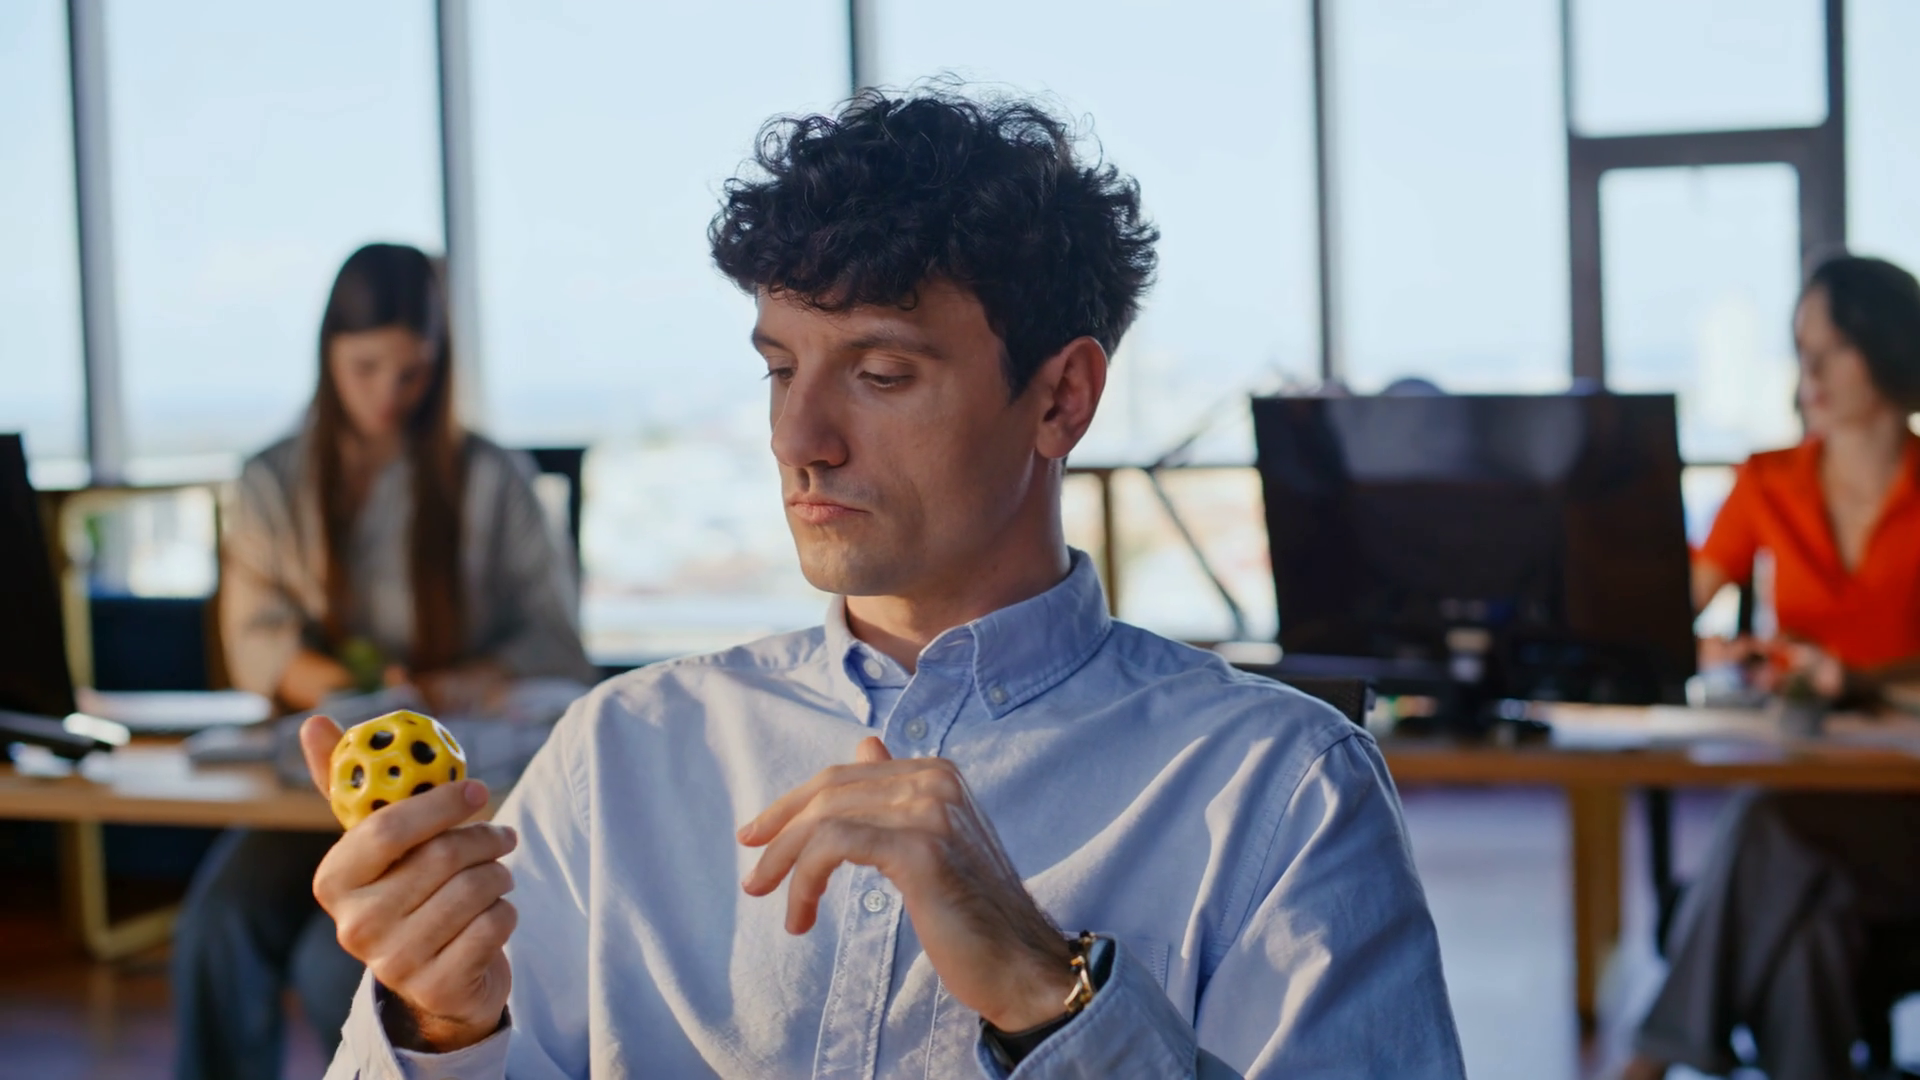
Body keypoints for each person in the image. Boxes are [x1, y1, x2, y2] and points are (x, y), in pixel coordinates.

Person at [306, 89, 1465, 1079]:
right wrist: (443, 1028)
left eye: (880, 373)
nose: (799, 439)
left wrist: (1049, 992)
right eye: (780, 369)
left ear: (1062, 398)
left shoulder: (1283, 793)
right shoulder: (615, 760)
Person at [173, 242, 596, 1080]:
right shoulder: (271, 481)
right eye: (365, 368)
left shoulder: (494, 480)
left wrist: (443, 687)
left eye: (412, 372)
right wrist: (360, 694)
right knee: (216, 929)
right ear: (328, 357)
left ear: (440, 365)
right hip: (315, 786)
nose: (387, 394)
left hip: (450, 796)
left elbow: (555, 644)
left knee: (340, 965)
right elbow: (257, 645)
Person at [1622, 254, 1920, 1080]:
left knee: (1768, 826)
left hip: (1907, 810)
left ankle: (1648, 1063)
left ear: (1888, 348)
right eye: (1800, 350)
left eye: (1832, 349)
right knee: (1809, 935)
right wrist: (1714, 651)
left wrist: (1858, 679)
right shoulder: (1769, 481)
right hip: (1812, 784)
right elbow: (1658, 621)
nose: (1808, 373)